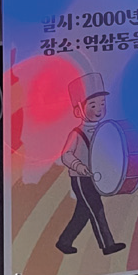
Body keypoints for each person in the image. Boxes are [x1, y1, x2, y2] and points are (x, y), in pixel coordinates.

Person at [55, 72, 126, 257]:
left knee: (83, 212)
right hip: (81, 179)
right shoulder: (77, 133)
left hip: (95, 178)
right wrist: (79, 166)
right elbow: (65, 155)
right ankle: (107, 245)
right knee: (96, 208)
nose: (99, 109)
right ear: (78, 110)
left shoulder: (104, 129)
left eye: (102, 103)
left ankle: (64, 241)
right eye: (93, 105)